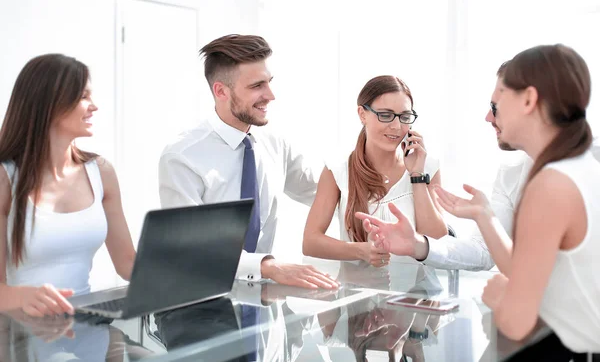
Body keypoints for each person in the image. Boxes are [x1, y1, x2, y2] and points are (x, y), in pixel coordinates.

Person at [355, 62, 600, 272]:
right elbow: (483, 251)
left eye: (496, 108)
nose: (488, 118)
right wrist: (419, 245)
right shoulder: (510, 177)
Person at [158, 34, 338, 290]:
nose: (270, 95)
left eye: (269, 82)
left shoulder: (275, 143)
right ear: (221, 90)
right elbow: (191, 248)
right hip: (202, 300)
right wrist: (269, 267)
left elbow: (323, 191)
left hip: (262, 300)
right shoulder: (182, 157)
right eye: (257, 86)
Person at [0, 54, 137, 317]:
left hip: (85, 324)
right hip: (21, 337)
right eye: (83, 96)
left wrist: (184, 270)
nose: (94, 106)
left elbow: (127, 263)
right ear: (50, 103)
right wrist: (25, 295)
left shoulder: (101, 172)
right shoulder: (6, 180)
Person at [303, 75, 447, 268]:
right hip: (357, 293)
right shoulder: (337, 171)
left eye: (404, 117)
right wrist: (361, 251)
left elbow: (438, 241)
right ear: (362, 114)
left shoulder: (426, 166)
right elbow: (310, 242)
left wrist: (416, 176)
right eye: (385, 115)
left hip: (417, 294)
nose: (396, 126)